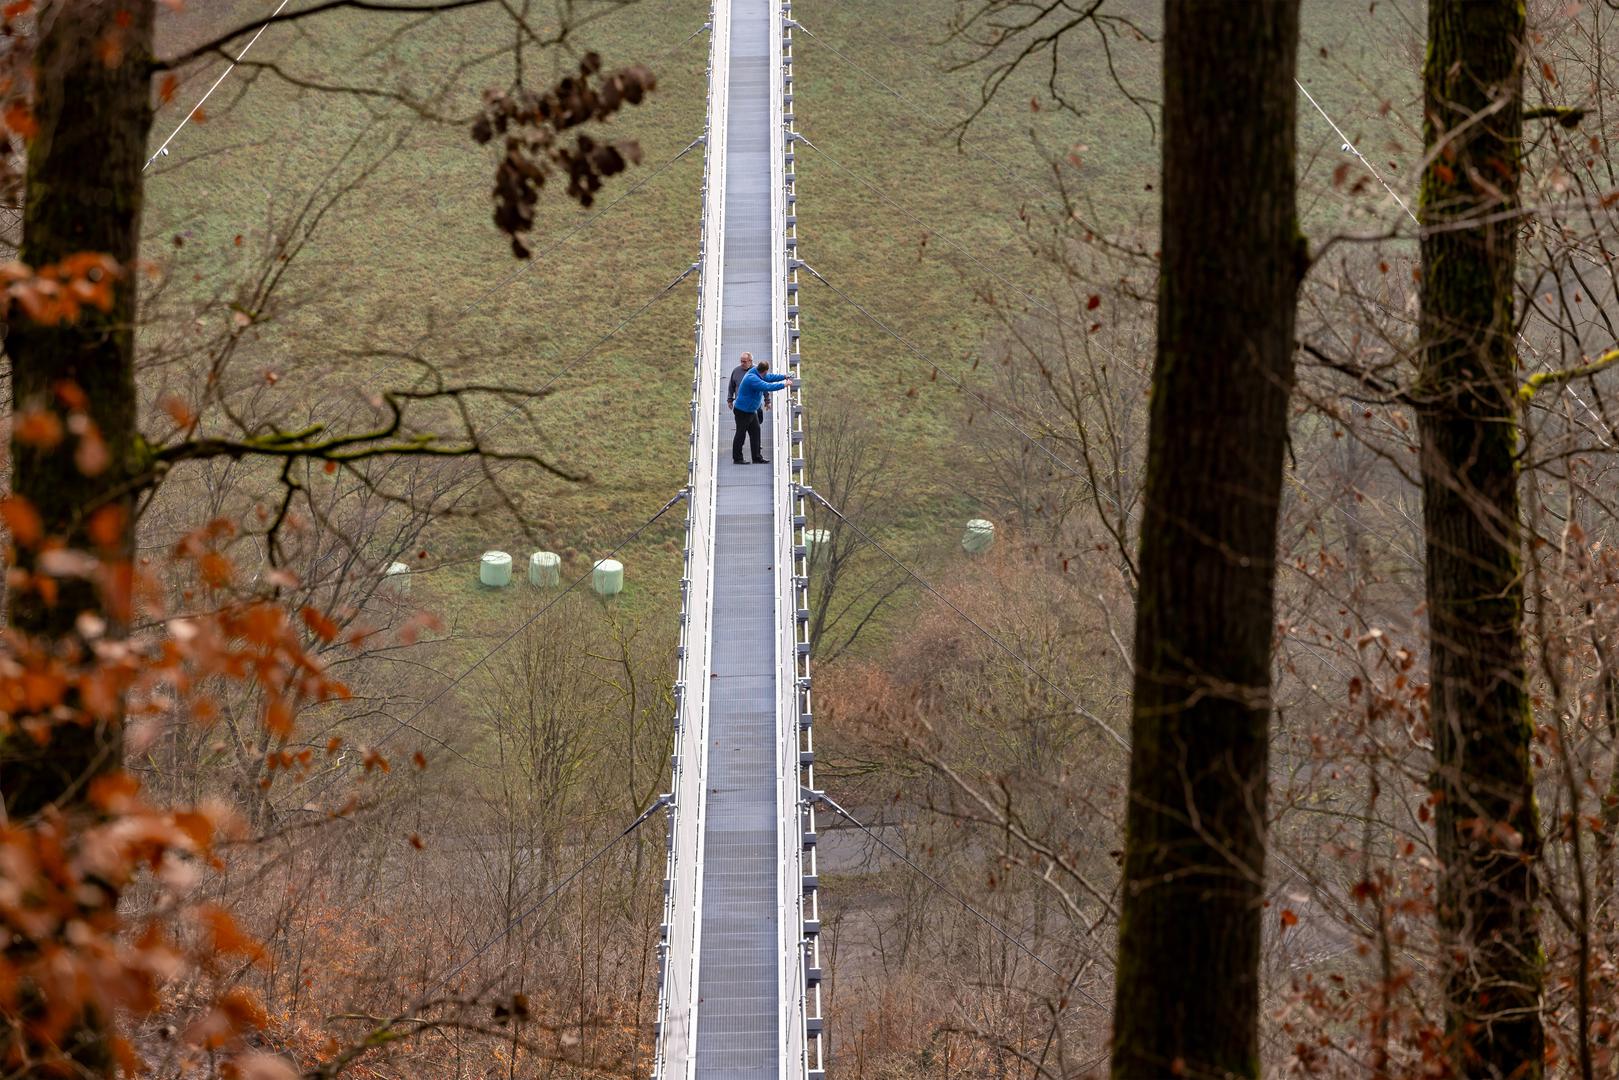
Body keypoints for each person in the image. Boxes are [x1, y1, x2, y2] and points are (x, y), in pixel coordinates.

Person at [732, 360, 790, 464]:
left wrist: (784, 376)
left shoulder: (757, 373)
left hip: (751, 410)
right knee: (740, 434)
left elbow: (770, 377)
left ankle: (757, 457)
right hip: (743, 411)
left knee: (756, 432)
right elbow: (767, 386)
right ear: (764, 371)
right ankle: (737, 458)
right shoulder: (753, 379)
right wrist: (784, 385)